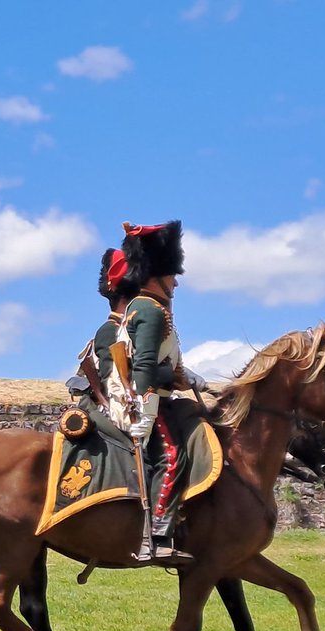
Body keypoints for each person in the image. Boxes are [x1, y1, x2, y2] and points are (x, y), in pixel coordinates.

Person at [73, 221, 208, 564]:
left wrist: (182, 376)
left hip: (144, 396)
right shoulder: (141, 312)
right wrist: (145, 412)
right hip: (132, 403)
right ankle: (158, 532)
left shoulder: (148, 311)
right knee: (173, 454)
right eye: (170, 273)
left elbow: (152, 363)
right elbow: (139, 368)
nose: (176, 281)